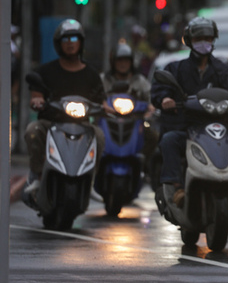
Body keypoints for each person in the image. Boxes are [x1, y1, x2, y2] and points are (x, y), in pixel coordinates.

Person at [151, 17, 228, 207]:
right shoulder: (176, 68)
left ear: (213, 40)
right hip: (186, 128)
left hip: (222, 130)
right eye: (199, 38)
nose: (204, 43)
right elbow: (160, 90)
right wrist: (165, 100)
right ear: (189, 41)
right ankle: (177, 187)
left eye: (208, 38)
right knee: (169, 141)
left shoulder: (222, 69)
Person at [23, 19, 107, 199]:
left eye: (74, 38)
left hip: (82, 125)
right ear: (59, 43)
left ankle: (90, 180)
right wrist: (37, 100)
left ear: (81, 42)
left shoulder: (91, 73)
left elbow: (102, 100)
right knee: (32, 130)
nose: (70, 42)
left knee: (99, 136)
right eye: (66, 38)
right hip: (51, 123)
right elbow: (36, 94)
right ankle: (37, 175)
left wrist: (110, 108)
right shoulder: (46, 70)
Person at [101, 42, 158, 164]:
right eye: (119, 60)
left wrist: (151, 108)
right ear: (113, 62)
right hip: (108, 123)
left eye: (126, 60)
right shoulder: (104, 80)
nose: (123, 64)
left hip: (135, 123)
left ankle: (143, 165)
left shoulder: (140, 80)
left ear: (131, 62)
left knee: (154, 136)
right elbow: (95, 97)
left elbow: (151, 98)